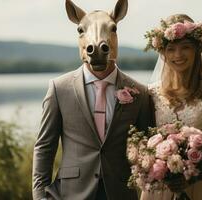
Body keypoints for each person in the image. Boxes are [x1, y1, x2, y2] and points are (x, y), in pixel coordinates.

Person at [32, 0, 154, 199]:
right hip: (71, 193)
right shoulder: (59, 89)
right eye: (82, 31)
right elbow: (45, 147)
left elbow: (148, 147)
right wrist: (39, 196)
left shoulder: (139, 93)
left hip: (120, 193)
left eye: (111, 29)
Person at [140, 14, 202, 200]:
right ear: (163, 53)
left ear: (198, 49)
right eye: (171, 49)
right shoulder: (151, 94)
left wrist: (194, 175)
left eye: (185, 47)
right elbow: (143, 142)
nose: (178, 55)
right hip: (162, 188)